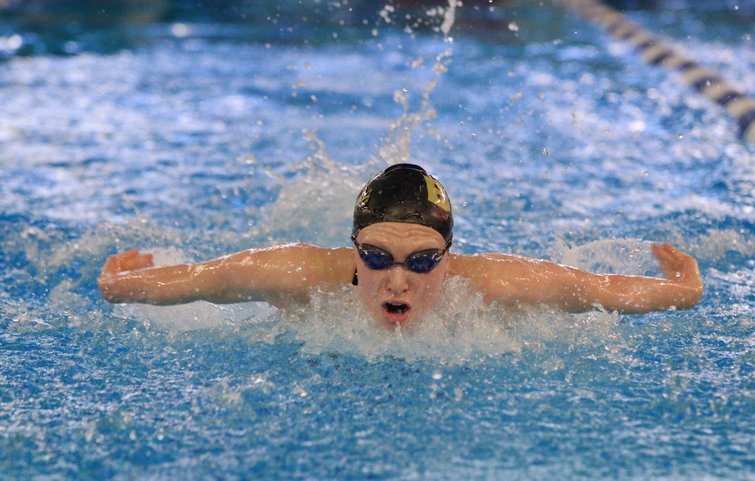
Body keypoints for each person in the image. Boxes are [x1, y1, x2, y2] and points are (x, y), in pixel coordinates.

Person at [98, 163, 703, 329]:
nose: (397, 281)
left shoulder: (495, 285)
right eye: (376, 258)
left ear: (448, 257)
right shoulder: (301, 274)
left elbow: (596, 290)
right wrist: (119, 284)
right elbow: (203, 279)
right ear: (353, 250)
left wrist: (684, 289)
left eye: (421, 262)